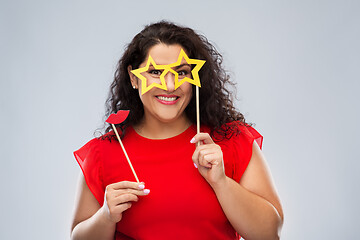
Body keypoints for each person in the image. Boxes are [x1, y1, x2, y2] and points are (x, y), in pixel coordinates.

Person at [71, 21, 283, 240]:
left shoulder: (231, 140)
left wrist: (221, 182)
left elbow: (269, 234)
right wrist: (106, 216)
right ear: (134, 78)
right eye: (155, 72)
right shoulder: (103, 152)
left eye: (181, 73)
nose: (170, 86)